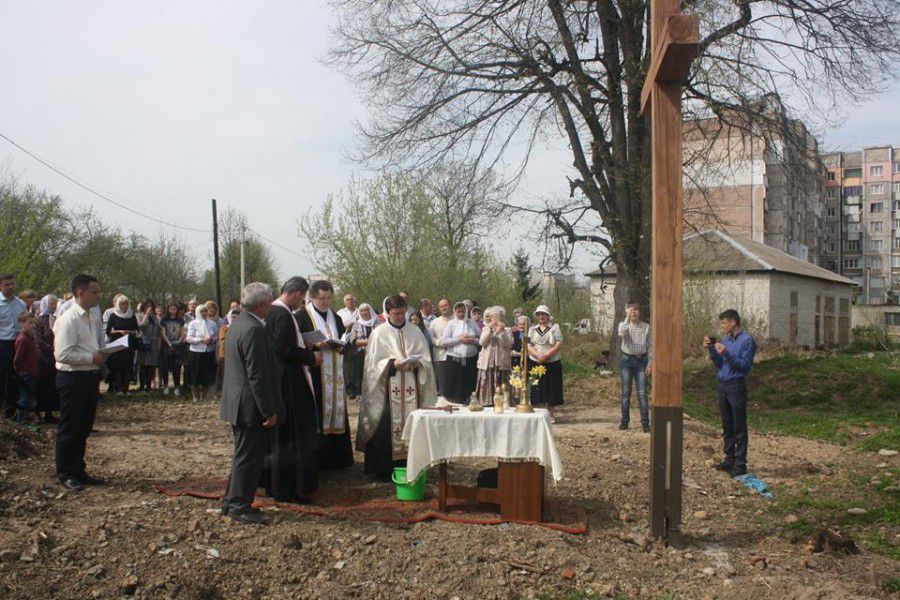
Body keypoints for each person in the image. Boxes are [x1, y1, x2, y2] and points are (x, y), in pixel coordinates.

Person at [220, 282, 282, 524]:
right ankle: (239, 506)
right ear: (261, 304)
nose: (271, 305)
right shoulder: (254, 329)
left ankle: (232, 501)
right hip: (249, 406)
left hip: (239, 403)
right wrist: (268, 410)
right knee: (249, 457)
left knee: (243, 455)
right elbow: (256, 374)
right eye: (269, 301)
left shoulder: (240, 323)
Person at [357, 294, 437, 480]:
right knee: (385, 425)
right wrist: (393, 364)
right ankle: (383, 469)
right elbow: (372, 366)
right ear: (388, 313)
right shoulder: (379, 333)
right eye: (395, 314)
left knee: (412, 423)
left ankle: (412, 465)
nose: (400, 317)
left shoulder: (415, 331)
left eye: (402, 313)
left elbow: (426, 360)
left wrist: (418, 364)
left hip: (412, 387)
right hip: (386, 390)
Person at [263, 277, 322, 502]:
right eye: (303, 297)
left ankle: (277, 486)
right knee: (292, 437)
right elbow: (285, 351)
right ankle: (289, 489)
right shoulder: (282, 314)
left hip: (283, 380)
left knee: (282, 437)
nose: (303, 302)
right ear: (298, 293)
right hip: (289, 384)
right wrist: (311, 357)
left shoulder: (276, 312)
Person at [54, 274, 108, 490]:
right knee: (70, 426)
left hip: (89, 376)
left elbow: (92, 344)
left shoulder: (91, 317)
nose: (97, 296)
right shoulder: (68, 319)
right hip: (72, 377)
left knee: (84, 425)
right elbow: (62, 354)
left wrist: (102, 353)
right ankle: (65, 471)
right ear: (80, 293)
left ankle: (78, 468)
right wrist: (90, 358)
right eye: (94, 292)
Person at [299, 279, 354, 470]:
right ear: (313, 297)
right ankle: (318, 462)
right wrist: (316, 345)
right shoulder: (302, 316)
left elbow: (342, 339)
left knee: (336, 413)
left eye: (329, 298)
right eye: (322, 298)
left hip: (335, 374)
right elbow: (297, 344)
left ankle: (337, 460)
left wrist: (343, 345)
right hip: (315, 374)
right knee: (318, 414)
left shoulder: (336, 317)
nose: (326, 302)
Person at [705, 309, 757, 478]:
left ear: (733, 322)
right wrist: (712, 349)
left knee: (738, 426)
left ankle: (740, 464)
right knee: (727, 425)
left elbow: (744, 366)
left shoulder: (747, 341)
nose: (722, 326)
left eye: (724, 323)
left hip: (736, 386)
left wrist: (726, 353)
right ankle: (729, 459)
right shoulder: (726, 340)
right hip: (723, 385)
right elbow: (721, 364)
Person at [618, 303, 652, 432]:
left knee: (642, 393)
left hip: (641, 361)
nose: (634, 312)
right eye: (631, 310)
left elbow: (650, 346)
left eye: (636, 310)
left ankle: (645, 423)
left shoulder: (646, 327)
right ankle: (624, 422)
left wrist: (650, 363)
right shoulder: (623, 325)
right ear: (627, 312)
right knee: (626, 392)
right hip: (627, 360)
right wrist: (627, 317)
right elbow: (621, 333)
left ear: (639, 312)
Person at [528, 305, 564, 421]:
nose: (541, 316)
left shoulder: (554, 328)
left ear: (548, 316)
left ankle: (551, 414)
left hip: (552, 362)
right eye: (538, 314)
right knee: (536, 386)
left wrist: (547, 355)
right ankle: (537, 413)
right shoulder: (532, 329)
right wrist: (537, 355)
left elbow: (559, 343)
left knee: (551, 388)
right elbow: (528, 344)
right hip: (535, 362)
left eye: (543, 314)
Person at [441, 301, 480, 403]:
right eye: (458, 312)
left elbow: (481, 341)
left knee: (468, 387)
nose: (461, 314)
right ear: (455, 312)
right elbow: (444, 342)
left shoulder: (472, 323)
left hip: (471, 360)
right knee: (454, 387)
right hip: (454, 359)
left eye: (463, 311)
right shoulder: (451, 324)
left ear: (466, 311)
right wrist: (459, 339)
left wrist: (472, 341)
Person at [0, 273, 27, 420]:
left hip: (17, 343)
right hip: (2, 343)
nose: (10, 287)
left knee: (15, 378)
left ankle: (11, 411)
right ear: (1, 286)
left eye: (12, 284)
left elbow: (25, 322)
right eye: (7, 284)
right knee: (2, 377)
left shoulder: (20, 303)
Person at [475, 306, 513, 406]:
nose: (494, 318)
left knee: (502, 383)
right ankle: (486, 403)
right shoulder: (486, 328)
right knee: (487, 381)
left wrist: (501, 331)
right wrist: (490, 329)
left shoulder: (507, 330)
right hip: (487, 363)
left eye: (497, 316)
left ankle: (503, 403)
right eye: (492, 316)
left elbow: (508, 344)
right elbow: (482, 342)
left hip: (501, 363)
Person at [105, 295, 139, 395]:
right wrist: (119, 331)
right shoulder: (113, 315)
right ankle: (119, 389)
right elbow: (108, 331)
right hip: (118, 344)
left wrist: (130, 332)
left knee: (128, 366)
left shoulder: (131, 315)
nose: (124, 306)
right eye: (122, 304)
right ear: (118, 305)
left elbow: (137, 330)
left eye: (126, 304)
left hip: (129, 344)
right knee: (118, 367)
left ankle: (126, 389)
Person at [185, 304, 218, 401]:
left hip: (209, 352)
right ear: (197, 312)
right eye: (201, 311)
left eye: (205, 311)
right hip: (196, 353)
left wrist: (212, 339)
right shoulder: (192, 323)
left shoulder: (212, 323)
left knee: (207, 375)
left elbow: (216, 336)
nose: (204, 313)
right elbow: (189, 338)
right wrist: (201, 340)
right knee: (195, 375)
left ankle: (205, 396)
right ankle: (195, 396)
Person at [34, 295, 59, 422]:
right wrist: (52, 349)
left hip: (55, 359)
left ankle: (49, 413)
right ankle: (38, 413)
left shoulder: (56, 319)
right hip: (43, 359)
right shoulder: (39, 321)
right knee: (42, 386)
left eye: (55, 304)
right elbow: (38, 340)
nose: (54, 306)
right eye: (51, 304)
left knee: (52, 386)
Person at [347, 303, 379, 398]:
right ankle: (360, 394)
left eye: (366, 310)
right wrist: (367, 341)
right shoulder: (356, 324)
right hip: (360, 353)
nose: (364, 313)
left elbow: (383, 337)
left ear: (370, 311)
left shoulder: (378, 322)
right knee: (360, 373)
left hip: (376, 352)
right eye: (361, 311)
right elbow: (353, 340)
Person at [14, 313, 40, 423]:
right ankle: (20, 420)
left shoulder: (30, 337)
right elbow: (18, 359)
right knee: (24, 398)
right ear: (22, 324)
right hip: (25, 373)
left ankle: (25, 418)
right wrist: (20, 371)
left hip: (31, 372)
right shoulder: (23, 339)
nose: (33, 325)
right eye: (30, 323)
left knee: (29, 396)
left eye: (34, 323)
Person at [159, 303, 185, 396]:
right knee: (165, 367)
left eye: (174, 309)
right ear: (168, 309)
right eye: (171, 309)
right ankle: (166, 386)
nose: (173, 310)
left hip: (177, 346)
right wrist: (169, 343)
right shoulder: (164, 319)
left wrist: (180, 340)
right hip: (166, 346)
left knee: (177, 367)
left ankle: (177, 386)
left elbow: (183, 332)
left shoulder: (180, 320)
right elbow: (163, 333)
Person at [428, 298, 453, 396]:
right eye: (441, 306)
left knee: (453, 379)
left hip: (454, 354)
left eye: (445, 305)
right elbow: (432, 338)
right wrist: (442, 344)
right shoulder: (434, 322)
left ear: (450, 305)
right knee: (441, 380)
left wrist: (451, 343)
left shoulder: (456, 320)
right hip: (440, 355)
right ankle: (442, 400)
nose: (444, 308)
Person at [337, 294, 360, 397]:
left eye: (352, 299)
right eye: (348, 299)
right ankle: (348, 388)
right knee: (347, 366)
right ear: (344, 302)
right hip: (345, 343)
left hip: (357, 342)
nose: (350, 301)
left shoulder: (360, 311)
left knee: (357, 365)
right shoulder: (340, 313)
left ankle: (358, 387)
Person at [136, 301, 161, 392]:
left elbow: (158, 328)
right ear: (144, 307)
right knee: (143, 365)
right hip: (143, 343)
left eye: (151, 306)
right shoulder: (139, 315)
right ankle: (142, 386)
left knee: (151, 365)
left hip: (153, 343)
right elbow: (141, 325)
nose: (149, 308)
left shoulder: (154, 316)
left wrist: (158, 342)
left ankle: (149, 386)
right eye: (147, 306)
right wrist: (146, 314)